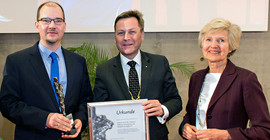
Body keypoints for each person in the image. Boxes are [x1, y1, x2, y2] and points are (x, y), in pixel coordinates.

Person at [0, 1, 93, 139]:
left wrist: (80, 120)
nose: (52, 25)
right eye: (46, 20)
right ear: (37, 25)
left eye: (58, 21)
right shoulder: (17, 61)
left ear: (64, 26)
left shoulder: (78, 62)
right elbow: (8, 104)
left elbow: (86, 100)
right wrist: (45, 119)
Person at [93, 10, 182, 140]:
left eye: (132, 32)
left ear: (142, 34)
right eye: (121, 33)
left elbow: (176, 100)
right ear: (115, 37)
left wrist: (163, 109)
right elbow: (99, 110)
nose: (126, 37)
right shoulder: (104, 70)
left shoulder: (159, 63)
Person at [179, 17, 270, 139]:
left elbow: (264, 130)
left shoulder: (245, 79)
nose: (213, 45)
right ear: (202, 44)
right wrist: (184, 127)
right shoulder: (196, 78)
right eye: (208, 40)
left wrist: (226, 135)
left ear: (231, 46)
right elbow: (190, 116)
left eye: (221, 40)